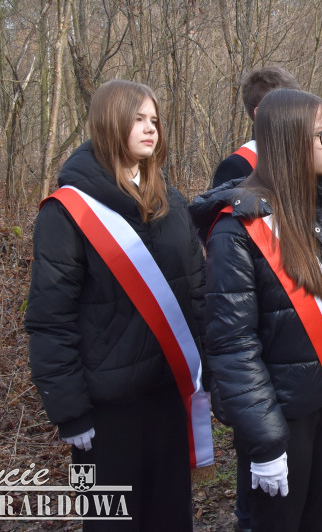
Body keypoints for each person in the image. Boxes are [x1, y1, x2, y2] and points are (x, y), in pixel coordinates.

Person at [192, 89, 322, 532]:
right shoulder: (237, 230)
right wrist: (265, 442)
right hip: (284, 420)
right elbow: (233, 347)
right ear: (286, 141)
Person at [26, 80, 206, 530]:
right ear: (110, 123)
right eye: (138, 119)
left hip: (167, 395)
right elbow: (51, 320)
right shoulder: (66, 212)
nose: (151, 129)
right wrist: (69, 412)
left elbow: (197, 290)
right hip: (105, 413)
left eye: (155, 121)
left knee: (169, 518)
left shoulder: (171, 200)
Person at [208, 65, 299, 532]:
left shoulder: (296, 158)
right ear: (264, 112)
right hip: (256, 325)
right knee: (257, 452)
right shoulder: (238, 165)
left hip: (292, 324)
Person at [212, 65, 301, 188]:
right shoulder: (239, 165)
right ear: (260, 113)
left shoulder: (303, 157)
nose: (298, 115)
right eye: (288, 107)